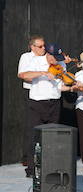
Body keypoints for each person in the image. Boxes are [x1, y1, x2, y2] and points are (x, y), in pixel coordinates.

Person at [23, 43, 83, 177]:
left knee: (52, 136)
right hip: (38, 103)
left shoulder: (61, 65)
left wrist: (71, 88)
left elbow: (60, 86)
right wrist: (44, 73)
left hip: (55, 103)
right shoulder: (36, 61)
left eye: (58, 58)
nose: (57, 61)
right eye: (54, 58)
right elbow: (24, 75)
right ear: (48, 54)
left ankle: (50, 165)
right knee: (35, 135)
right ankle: (32, 169)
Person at [18, 35, 46, 166]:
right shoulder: (26, 57)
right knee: (30, 125)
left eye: (44, 45)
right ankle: (27, 156)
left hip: (45, 93)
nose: (43, 48)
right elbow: (23, 75)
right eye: (40, 46)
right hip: (31, 92)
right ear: (32, 47)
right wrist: (39, 76)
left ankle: (44, 155)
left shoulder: (47, 58)